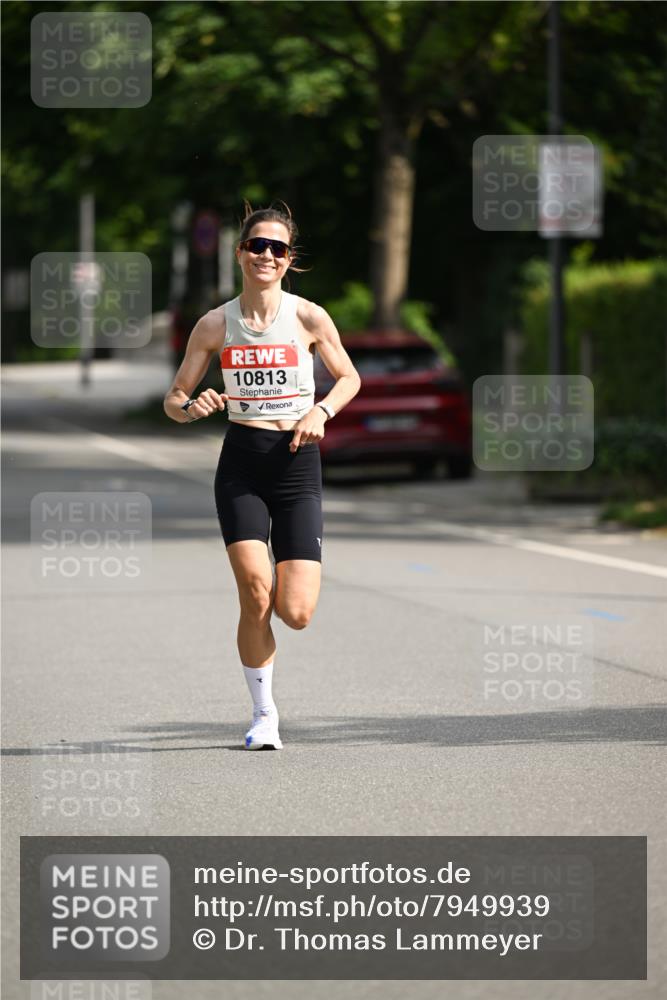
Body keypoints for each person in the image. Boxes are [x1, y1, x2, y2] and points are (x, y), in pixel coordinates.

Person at [163, 202, 361, 750]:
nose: (266, 255)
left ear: (288, 259)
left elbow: (349, 379)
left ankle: (271, 635)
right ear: (241, 253)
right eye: (257, 246)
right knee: (255, 595)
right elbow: (174, 399)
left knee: (294, 612)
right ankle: (264, 715)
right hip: (243, 465)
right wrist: (192, 406)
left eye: (277, 248)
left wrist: (321, 411)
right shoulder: (214, 323)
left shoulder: (309, 317)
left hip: (298, 464)